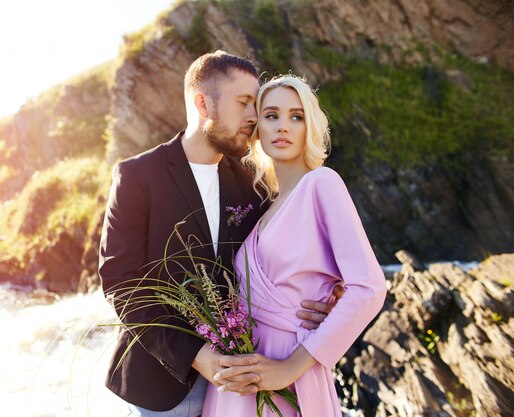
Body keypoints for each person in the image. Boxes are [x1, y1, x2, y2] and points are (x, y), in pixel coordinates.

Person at [98, 52, 342, 417]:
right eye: (244, 103)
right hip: (160, 385)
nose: (254, 117)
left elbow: (275, 261)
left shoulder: (255, 184)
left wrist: (328, 296)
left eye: (255, 105)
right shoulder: (137, 177)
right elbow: (122, 284)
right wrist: (199, 358)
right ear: (202, 103)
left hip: (243, 383)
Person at [201, 75, 387, 416]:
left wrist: (291, 366)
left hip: (289, 373)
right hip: (242, 377)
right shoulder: (264, 208)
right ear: (257, 128)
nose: (283, 126)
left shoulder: (322, 184)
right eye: (271, 115)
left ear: (309, 127)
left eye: (296, 117)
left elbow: (370, 288)